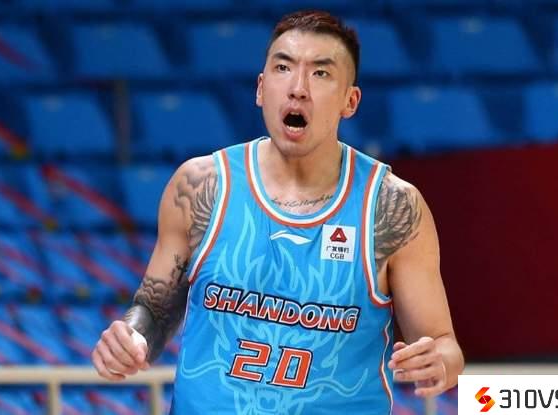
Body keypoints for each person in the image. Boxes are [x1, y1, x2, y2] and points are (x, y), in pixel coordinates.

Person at [92, 10, 464, 414]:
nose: (298, 88)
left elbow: (443, 344)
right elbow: (155, 309)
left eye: (320, 73)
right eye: (283, 68)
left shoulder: (391, 207)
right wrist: (132, 336)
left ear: (350, 101)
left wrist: (440, 362)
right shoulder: (201, 186)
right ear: (260, 88)